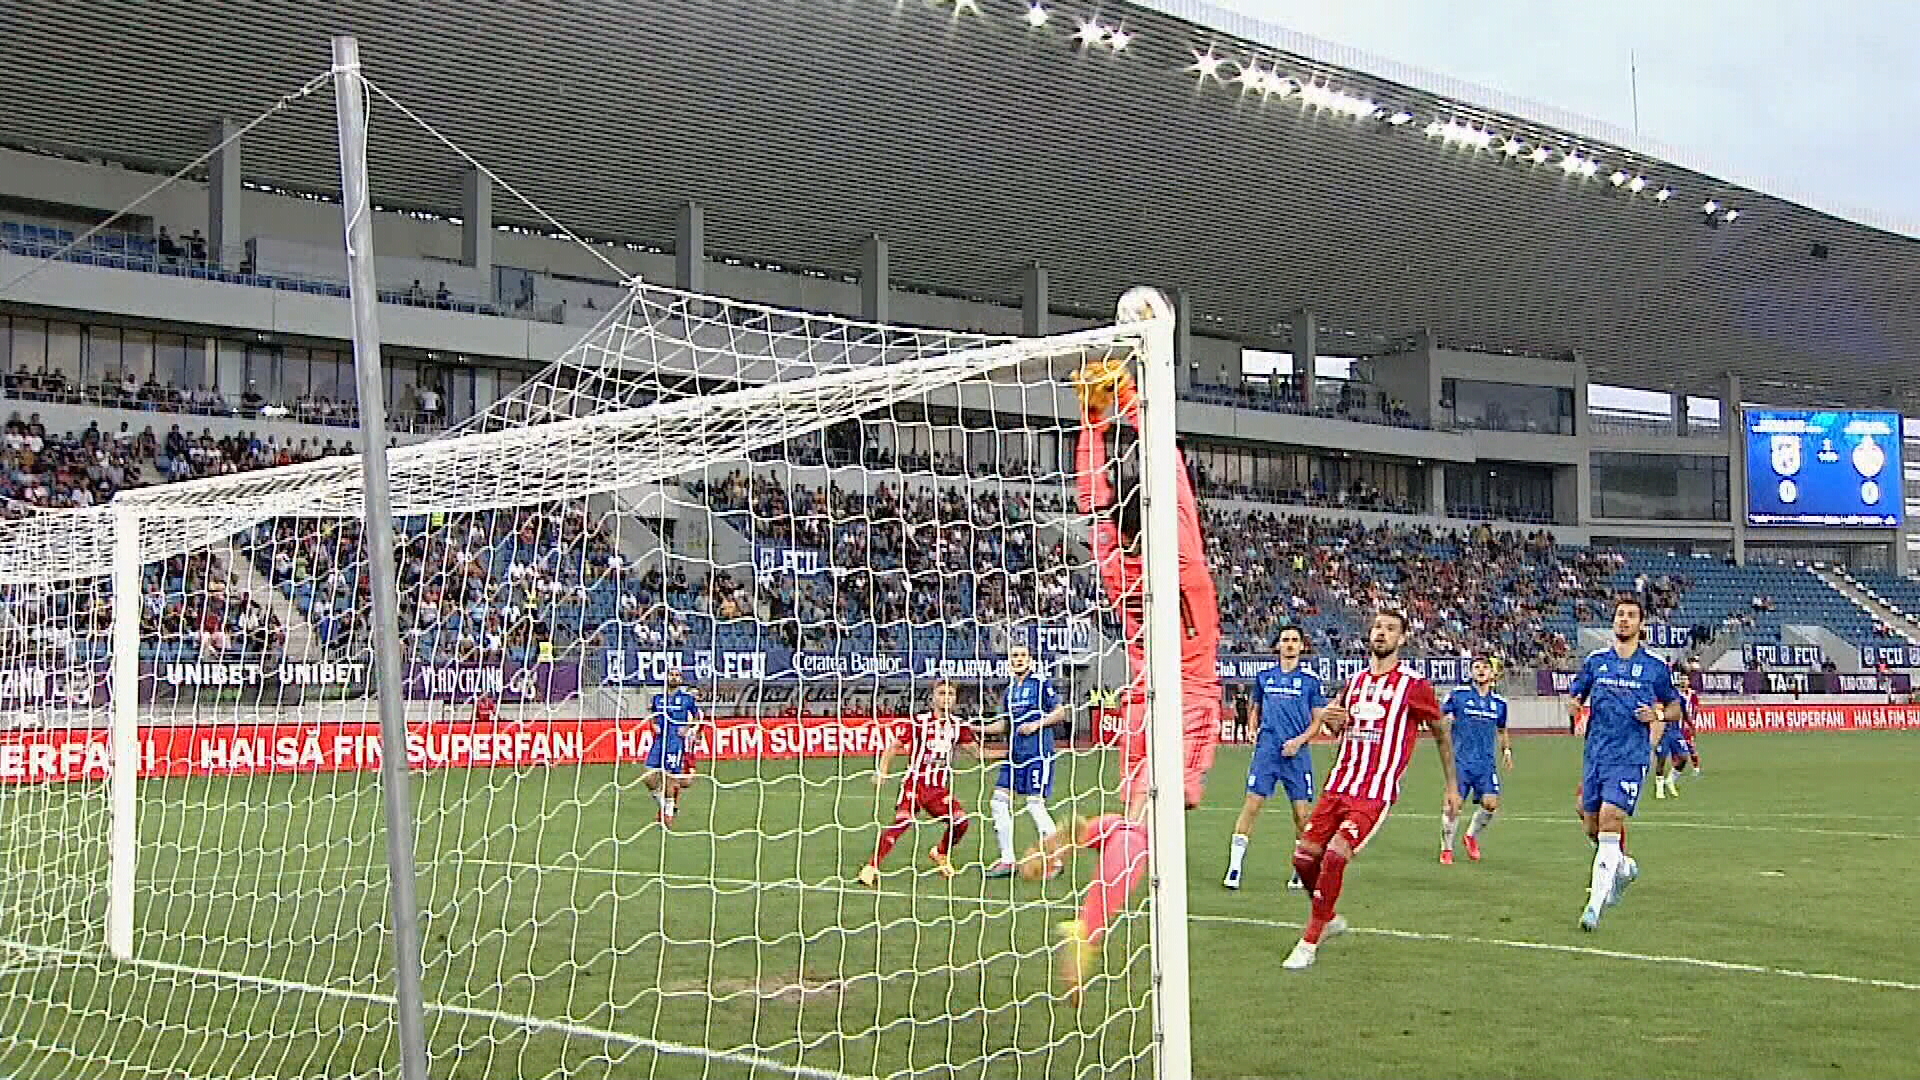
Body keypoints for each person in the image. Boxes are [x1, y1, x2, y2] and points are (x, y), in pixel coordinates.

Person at [1045, 356, 1221, 1002]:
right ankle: (1088, 927)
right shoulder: (1182, 557)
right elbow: (1167, 461)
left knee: (1151, 818)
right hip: (1190, 699)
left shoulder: (1114, 559)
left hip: (1143, 699)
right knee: (1153, 826)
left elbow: (1093, 497)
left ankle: (1088, 835)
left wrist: (1092, 422)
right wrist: (1128, 396)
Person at [1281, 610, 1458, 971]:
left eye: (1390, 629)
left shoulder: (1414, 685)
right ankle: (1327, 917)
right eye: (1378, 627)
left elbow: (1440, 733)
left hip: (1374, 791)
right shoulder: (1355, 682)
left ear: (1402, 639)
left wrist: (1452, 786)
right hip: (1338, 785)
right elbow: (1338, 726)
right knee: (1303, 859)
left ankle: (1310, 940)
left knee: (1335, 855)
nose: (1382, 633)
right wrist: (1332, 722)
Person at [1566, 597, 1681, 931]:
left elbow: (1675, 707)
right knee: (1590, 823)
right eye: (1620, 615)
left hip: (1630, 756)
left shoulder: (1655, 667)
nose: (1625, 620)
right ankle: (1623, 868)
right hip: (1596, 754)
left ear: (1641, 625)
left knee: (1609, 818)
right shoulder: (1596, 661)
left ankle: (1594, 906)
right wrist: (1573, 707)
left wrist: (1658, 714)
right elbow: (1577, 694)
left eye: (1632, 616)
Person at [1224, 625, 1328, 891]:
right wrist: (1251, 728)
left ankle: (1299, 870)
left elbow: (1318, 722)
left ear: (1302, 646)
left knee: (1302, 816)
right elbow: (1255, 708)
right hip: (1267, 752)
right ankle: (1234, 868)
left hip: (1297, 754)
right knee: (1251, 806)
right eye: (1285, 640)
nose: (1290, 644)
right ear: (1277, 646)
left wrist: (1298, 742)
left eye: (1295, 640)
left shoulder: (1310, 682)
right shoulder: (1264, 677)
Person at [859, 679, 978, 885]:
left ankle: (940, 853)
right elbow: (893, 747)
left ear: (955, 699)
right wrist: (882, 772)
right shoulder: (918, 723)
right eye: (942, 693)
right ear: (933, 697)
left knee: (961, 822)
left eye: (950, 694)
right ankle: (871, 867)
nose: (946, 698)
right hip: (914, 785)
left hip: (938, 790)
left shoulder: (959, 727)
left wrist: (1009, 755)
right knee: (902, 823)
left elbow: (977, 754)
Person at [979, 643, 1068, 879]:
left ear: (1030, 659)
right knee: (998, 802)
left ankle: (1055, 860)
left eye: (1022, 655)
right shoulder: (1009, 692)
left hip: (1038, 754)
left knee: (1034, 805)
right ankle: (1008, 860)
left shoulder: (1040, 684)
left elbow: (1060, 712)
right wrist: (974, 729)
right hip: (1014, 755)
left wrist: (1036, 725)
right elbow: (1003, 725)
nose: (1018, 659)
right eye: (1014, 656)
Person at [1438, 656, 1511, 864]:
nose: (1480, 670)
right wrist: (1444, 722)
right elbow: (1439, 715)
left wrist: (1506, 751)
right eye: (1476, 667)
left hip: (1486, 764)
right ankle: (1447, 849)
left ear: (1491, 673)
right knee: (1453, 806)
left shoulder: (1499, 703)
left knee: (1490, 804)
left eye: (1485, 667)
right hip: (1460, 762)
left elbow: (1502, 729)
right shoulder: (1459, 695)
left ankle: (1470, 836)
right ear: (1471, 672)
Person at [643, 669, 700, 827]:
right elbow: (653, 716)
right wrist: (654, 725)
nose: (674, 678)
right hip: (660, 741)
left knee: (670, 778)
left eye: (677, 675)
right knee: (648, 777)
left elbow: (696, 716)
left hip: (675, 741)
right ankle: (666, 806)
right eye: (671, 675)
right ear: (666, 677)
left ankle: (667, 813)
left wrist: (687, 728)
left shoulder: (687, 699)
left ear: (680, 679)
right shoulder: (658, 698)